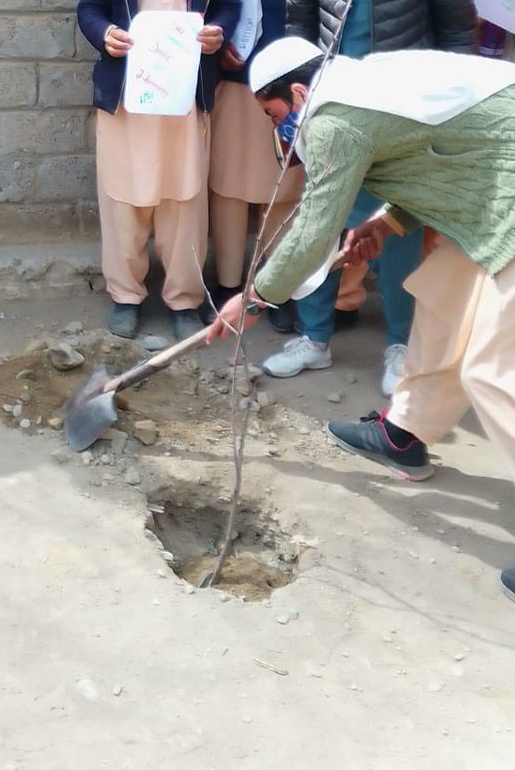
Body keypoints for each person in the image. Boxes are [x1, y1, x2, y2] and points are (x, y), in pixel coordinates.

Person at [208, 36, 515, 605]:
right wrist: (386, 222)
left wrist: (253, 299)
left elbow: (314, 228)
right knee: (444, 302)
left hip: (508, 196)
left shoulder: (332, 118)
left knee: (493, 374)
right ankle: (405, 434)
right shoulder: (358, 84)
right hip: (491, 191)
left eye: (274, 115)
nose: (280, 130)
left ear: (297, 93)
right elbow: (442, 154)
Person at [264, 0, 475, 393]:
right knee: (323, 220)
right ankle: (313, 338)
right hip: (336, 109)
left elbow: (457, 36)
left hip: (407, 113)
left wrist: (445, 116)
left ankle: (400, 346)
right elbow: (298, 29)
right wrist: (301, 103)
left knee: (397, 229)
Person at [77, 0, 239, 342]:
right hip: (128, 90)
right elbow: (89, 5)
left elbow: (230, 3)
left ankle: (184, 298)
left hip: (185, 93)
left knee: (184, 198)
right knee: (123, 196)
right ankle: (125, 294)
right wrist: (105, 35)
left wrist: (218, 32)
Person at [208, 0, 327, 331]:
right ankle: (228, 283)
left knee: (287, 183)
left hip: (294, 78)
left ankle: (274, 289)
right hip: (237, 74)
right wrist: (222, 38)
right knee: (231, 181)